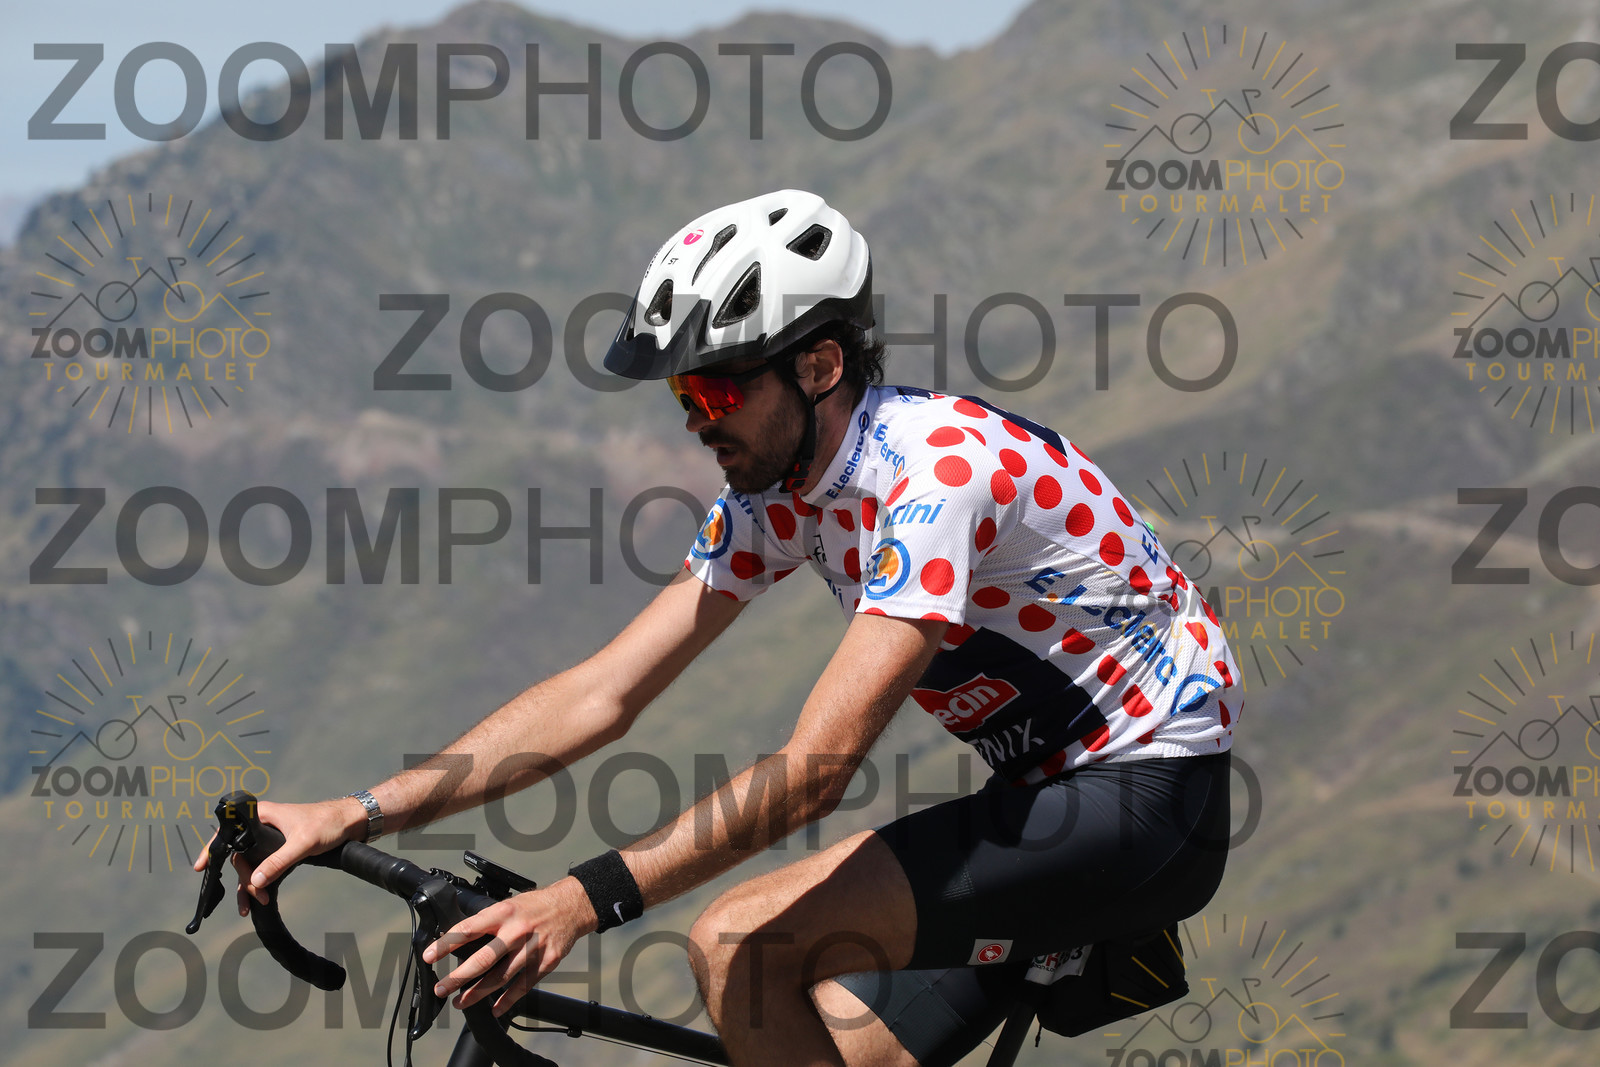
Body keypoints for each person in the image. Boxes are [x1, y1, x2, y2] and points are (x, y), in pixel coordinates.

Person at [201, 189, 1240, 1067]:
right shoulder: (777, 495)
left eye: (714, 386)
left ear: (818, 366)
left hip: (1147, 794)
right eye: (681, 394)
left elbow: (814, 770)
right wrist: (355, 811)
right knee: (804, 1037)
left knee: (740, 947)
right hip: (1035, 796)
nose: (697, 420)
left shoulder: (936, 475)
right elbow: (602, 692)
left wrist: (578, 901)